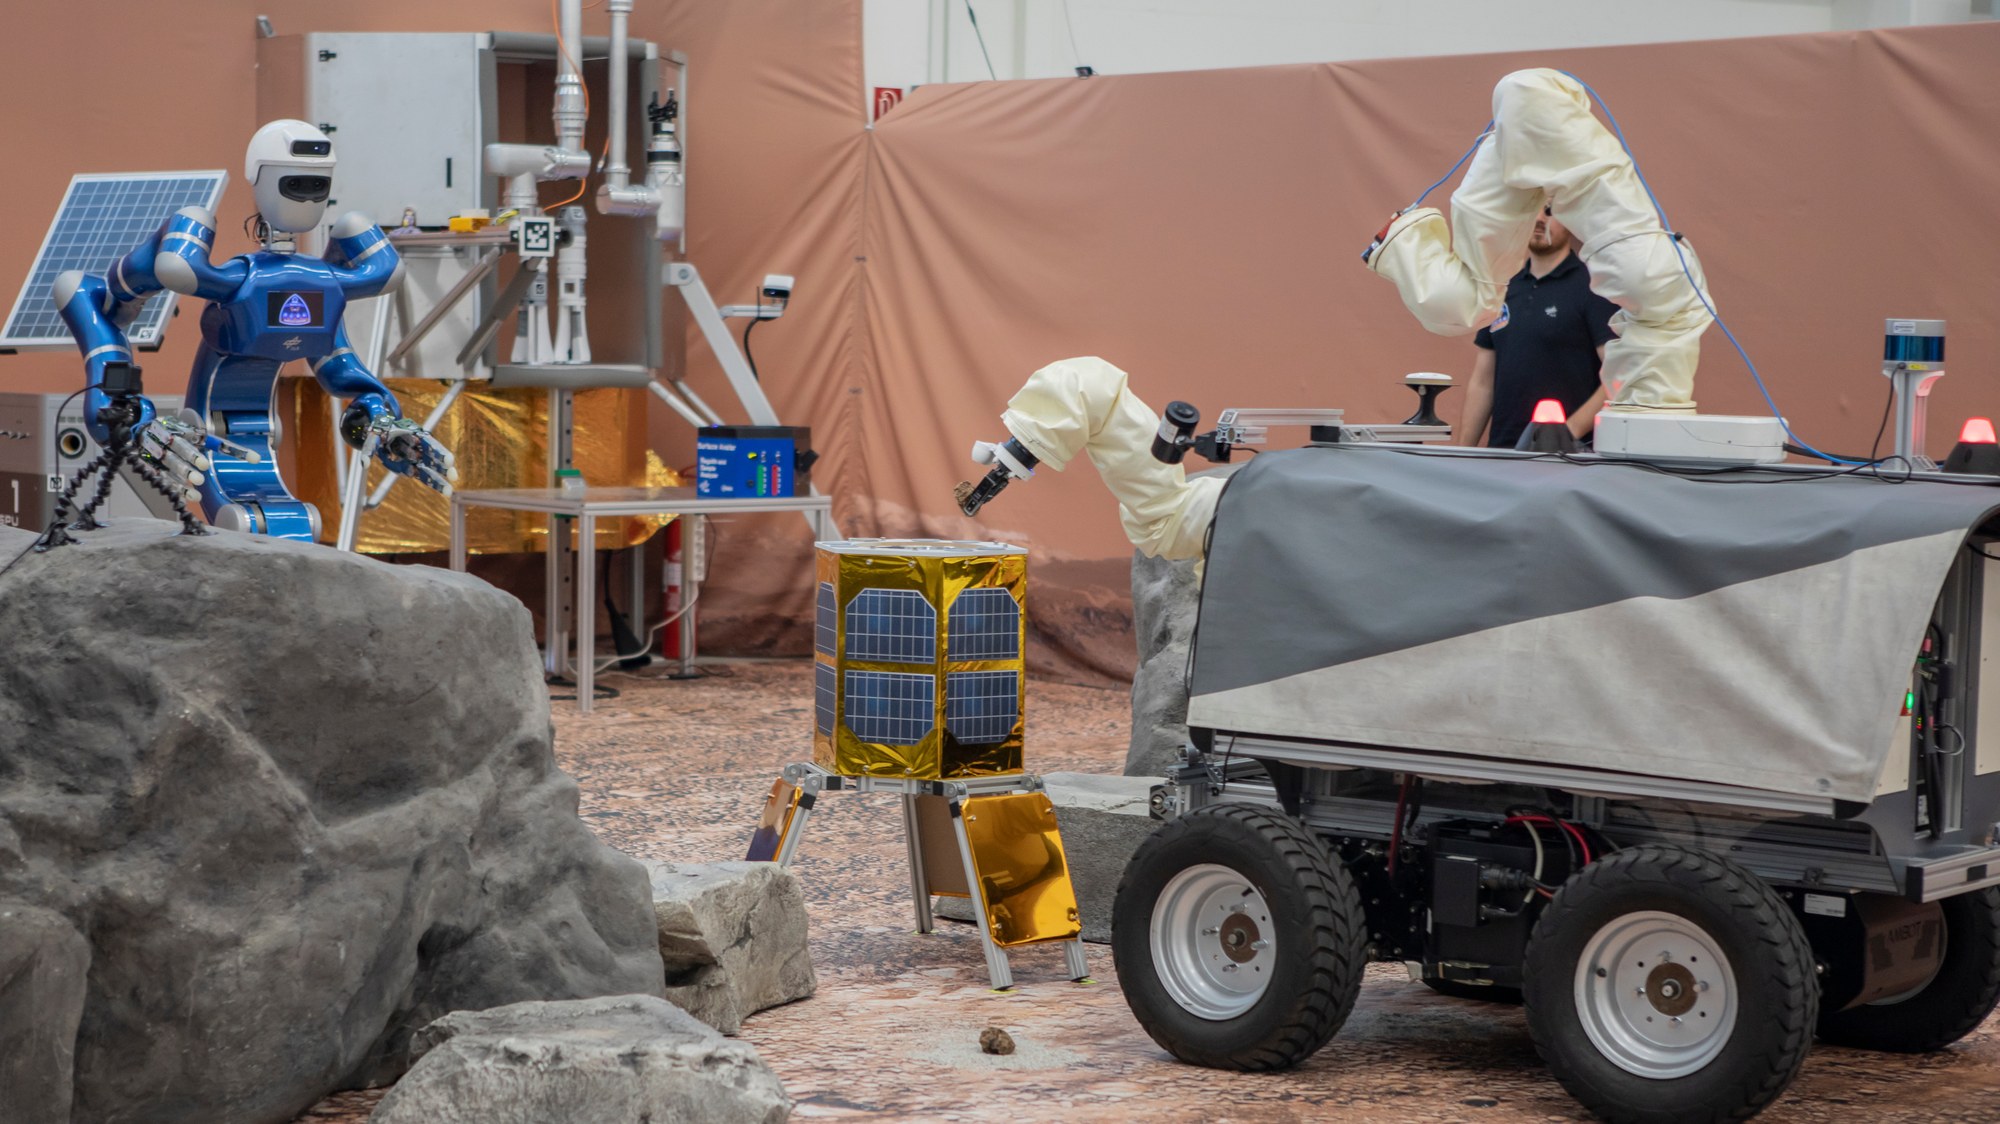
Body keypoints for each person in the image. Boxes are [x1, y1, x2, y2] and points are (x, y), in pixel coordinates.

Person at [1458, 206, 1620, 449]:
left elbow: (1617, 374)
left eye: (1548, 211)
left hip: (1566, 460)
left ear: (1571, 220)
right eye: (1531, 210)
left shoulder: (1594, 287)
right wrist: (1462, 453)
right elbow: (1483, 381)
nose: (1538, 219)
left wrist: (1566, 434)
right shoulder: (1502, 286)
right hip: (1502, 455)